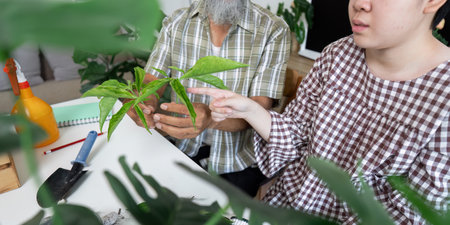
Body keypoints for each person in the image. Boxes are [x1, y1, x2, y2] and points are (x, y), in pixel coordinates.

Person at [189, 0, 450, 223]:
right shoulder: (337, 55)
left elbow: (411, 213)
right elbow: (297, 135)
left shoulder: (444, 93)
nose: (359, 4)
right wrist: (250, 110)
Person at [127, 0, 290, 197]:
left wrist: (211, 118)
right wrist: (143, 101)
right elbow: (152, 80)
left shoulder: (273, 29)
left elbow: (259, 108)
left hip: (238, 161)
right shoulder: (177, 21)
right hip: (182, 148)